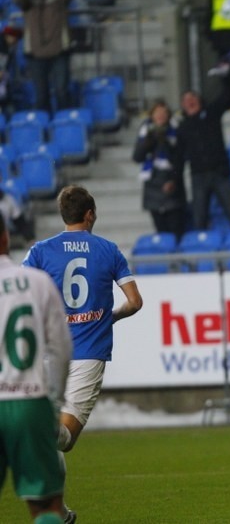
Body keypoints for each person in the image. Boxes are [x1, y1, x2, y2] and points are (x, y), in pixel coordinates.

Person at [22, 185, 143, 521]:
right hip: (90, 353)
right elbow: (135, 301)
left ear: (64, 215)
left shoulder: (41, 251)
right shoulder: (109, 250)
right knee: (63, 439)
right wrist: (111, 316)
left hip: (50, 351)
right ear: (89, 214)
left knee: (48, 437)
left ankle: (58, 511)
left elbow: (22, 290)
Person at [0, 212, 74, 524]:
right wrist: (54, 401)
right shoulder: (37, 282)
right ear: (5, 237)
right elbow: (62, 348)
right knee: (46, 507)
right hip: (31, 400)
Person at [175, 90, 230, 231]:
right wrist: (175, 179)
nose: (190, 101)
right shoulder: (182, 128)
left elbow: (227, 96)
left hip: (219, 173)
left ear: (199, 100)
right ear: (183, 105)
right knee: (199, 218)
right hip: (198, 176)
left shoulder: (212, 113)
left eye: (193, 97)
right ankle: (201, 247)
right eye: (186, 99)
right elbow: (179, 157)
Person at [132, 100, 187, 240]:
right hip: (153, 187)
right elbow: (137, 157)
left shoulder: (176, 131)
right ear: (152, 115)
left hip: (172, 187)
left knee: (176, 232)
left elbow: (180, 159)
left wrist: (173, 181)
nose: (161, 116)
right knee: (161, 233)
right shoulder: (146, 131)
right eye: (157, 113)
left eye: (164, 112)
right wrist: (149, 140)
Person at [13, 0, 73, 114]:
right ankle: (44, 128)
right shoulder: (28, 1)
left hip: (60, 50)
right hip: (35, 52)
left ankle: (63, 126)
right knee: (41, 95)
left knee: (61, 91)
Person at [0, 25, 25, 117]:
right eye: (15, 38)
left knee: (9, 109)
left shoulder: (10, 48)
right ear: (8, 36)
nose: (16, 41)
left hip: (4, 87)